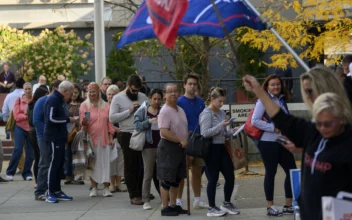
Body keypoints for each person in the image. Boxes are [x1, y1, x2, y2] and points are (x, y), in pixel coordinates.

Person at [243, 74, 352, 220]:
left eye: (328, 123)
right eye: (318, 123)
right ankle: (273, 204)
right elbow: (284, 120)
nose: (323, 128)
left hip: (337, 212)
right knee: (272, 171)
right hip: (308, 210)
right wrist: (258, 90)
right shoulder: (312, 131)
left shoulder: (347, 142)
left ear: (340, 118)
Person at [251, 74, 296, 216]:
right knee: (271, 173)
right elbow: (255, 120)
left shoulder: (282, 99)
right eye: (273, 84)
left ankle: (288, 205)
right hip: (268, 142)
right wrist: (273, 127)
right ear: (267, 86)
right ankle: (270, 206)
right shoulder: (263, 100)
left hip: (283, 141)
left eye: (278, 84)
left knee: (292, 171)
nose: (276, 87)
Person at [199, 87, 240, 217]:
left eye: (223, 101)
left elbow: (222, 133)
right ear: (212, 99)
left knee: (230, 175)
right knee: (213, 179)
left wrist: (231, 132)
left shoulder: (221, 113)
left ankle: (227, 202)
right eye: (219, 101)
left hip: (222, 147)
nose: (221, 104)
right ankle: (211, 207)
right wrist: (221, 126)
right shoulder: (206, 113)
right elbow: (205, 133)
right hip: (211, 149)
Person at [109, 74, 148, 205]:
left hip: (141, 131)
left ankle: (141, 191)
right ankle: (134, 194)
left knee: (141, 164)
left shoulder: (142, 97)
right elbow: (112, 118)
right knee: (131, 164)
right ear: (127, 85)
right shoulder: (117, 98)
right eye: (133, 90)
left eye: (137, 90)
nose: (135, 93)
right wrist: (129, 111)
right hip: (126, 133)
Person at [176, 73, 209, 209]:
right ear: (184, 85)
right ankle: (178, 199)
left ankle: (197, 199)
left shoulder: (200, 102)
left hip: (198, 140)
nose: (192, 86)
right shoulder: (179, 102)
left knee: (197, 170)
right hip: (184, 139)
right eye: (190, 84)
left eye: (194, 84)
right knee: (182, 172)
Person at [157, 83, 188, 216]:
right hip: (168, 147)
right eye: (170, 92)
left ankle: (174, 205)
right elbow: (164, 131)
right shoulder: (164, 111)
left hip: (180, 148)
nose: (173, 94)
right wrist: (179, 139)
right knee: (167, 179)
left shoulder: (180, 109)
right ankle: (165, 207)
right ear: (164, 95)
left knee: (177, 178)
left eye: (175, 91)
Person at [81, 83, 115, 197]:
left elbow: (109, 123)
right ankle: (94, 187)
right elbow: (83, 125)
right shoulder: (85, 106)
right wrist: (84, 122)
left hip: (104, 138)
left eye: (94, 92)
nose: (91, 94)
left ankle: (106, 188)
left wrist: (111, 137)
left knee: (105, 163)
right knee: (92, 163)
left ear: (98, 92)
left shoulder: (105, 106)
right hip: (91, 139)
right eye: (90, 92)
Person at [44, 80, 74, 203]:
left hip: (60, 136)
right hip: (53, 137)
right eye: (70, 94)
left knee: (60, 163)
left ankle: (57, 190)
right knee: (54, 163)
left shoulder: (60, 100)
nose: (71, 96)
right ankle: (49, 191)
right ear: (64, 90)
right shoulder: (53, 99)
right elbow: (50, 119)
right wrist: (68, 120)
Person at [134, 88, 163, 210]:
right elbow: (137, 125)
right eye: (154, 98)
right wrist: (149, 121)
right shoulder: (143, 110)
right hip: (148, 145)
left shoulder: (163, 110)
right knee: (148, 173)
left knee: (162, 174)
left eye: (158, 99)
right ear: (150, 98)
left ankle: (164, 198)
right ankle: (146, 199)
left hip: (162, 145)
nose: (156, 101)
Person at [33, 80, 61, 201]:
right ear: (54, 88)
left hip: (56, 137)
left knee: (55, 163)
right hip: (43, 137)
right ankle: (40, 191)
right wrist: (47, 132)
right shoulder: (41, 101)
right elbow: (36, 121)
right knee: (44, 163)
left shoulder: (59, 102)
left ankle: (54, 189)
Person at [6, 82, 34, 181]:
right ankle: (10, 172)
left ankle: (26, 173)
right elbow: (17, 117)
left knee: (31, 153)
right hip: (19, 128)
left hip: (31, 129)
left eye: (29, 88)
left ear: (32, 89)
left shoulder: (35, 100)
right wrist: (27, 116)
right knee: (18, 149)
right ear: (23, 89)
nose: (27, 91)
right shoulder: (18, 100)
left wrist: (28, 116)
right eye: (25, 89)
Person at [27, 86, 49, 185]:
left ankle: (38, 180)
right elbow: (34, 120)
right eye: (45, 95)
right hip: (36, 132)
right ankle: (39, 181)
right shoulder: (37, 105)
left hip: (32, 132)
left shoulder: (32, 104)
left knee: (38, 157)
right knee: (40, 157)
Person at [107, 85, 126, 193]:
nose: (111, 96)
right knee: (111, 161)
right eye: (109, 94)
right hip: (110, 137)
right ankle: (111, 184)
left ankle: (119, 183)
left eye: (113, 94)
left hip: (121, 136)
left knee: (120, 161)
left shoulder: (121, 106)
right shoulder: (105, 107)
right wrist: (116, 129)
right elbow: (106, 123)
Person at [65, 83, 84, 185]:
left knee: (79, 155)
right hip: (68, 132)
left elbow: (88, 117)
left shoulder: (83, 104)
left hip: (80, 131)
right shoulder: (65, 104)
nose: (74, 94)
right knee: (68, 155)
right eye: (73, 92)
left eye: (76, 92)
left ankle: (79, 176)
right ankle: (68, 175)